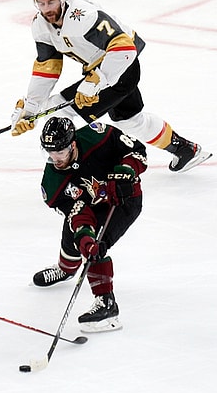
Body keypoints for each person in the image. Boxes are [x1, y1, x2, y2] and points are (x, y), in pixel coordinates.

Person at [10, 0, 211, 173]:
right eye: (41, 3)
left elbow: (124, 48)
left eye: (51, 1)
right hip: (109, 71)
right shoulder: (40, 25)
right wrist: (31, 107)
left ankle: (70, 171)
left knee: (58, 109)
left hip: (120, 68)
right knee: (130, 121)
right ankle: (186, 150)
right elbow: (48, 67)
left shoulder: (82, 16)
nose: (47, 8)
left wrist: (98, 80)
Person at [34, 116, 146, 332]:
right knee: (77, 238)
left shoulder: (98, 136)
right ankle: (66, 270)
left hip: (123, 201)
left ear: (72, 144)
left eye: (59, 152)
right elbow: (78, 215)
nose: (54, 158)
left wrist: (126, 170)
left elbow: (137, 150)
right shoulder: (52, 184)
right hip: (89, 208)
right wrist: (85, 237)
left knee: (98, 246)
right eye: (49, 152)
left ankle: (107, 304)